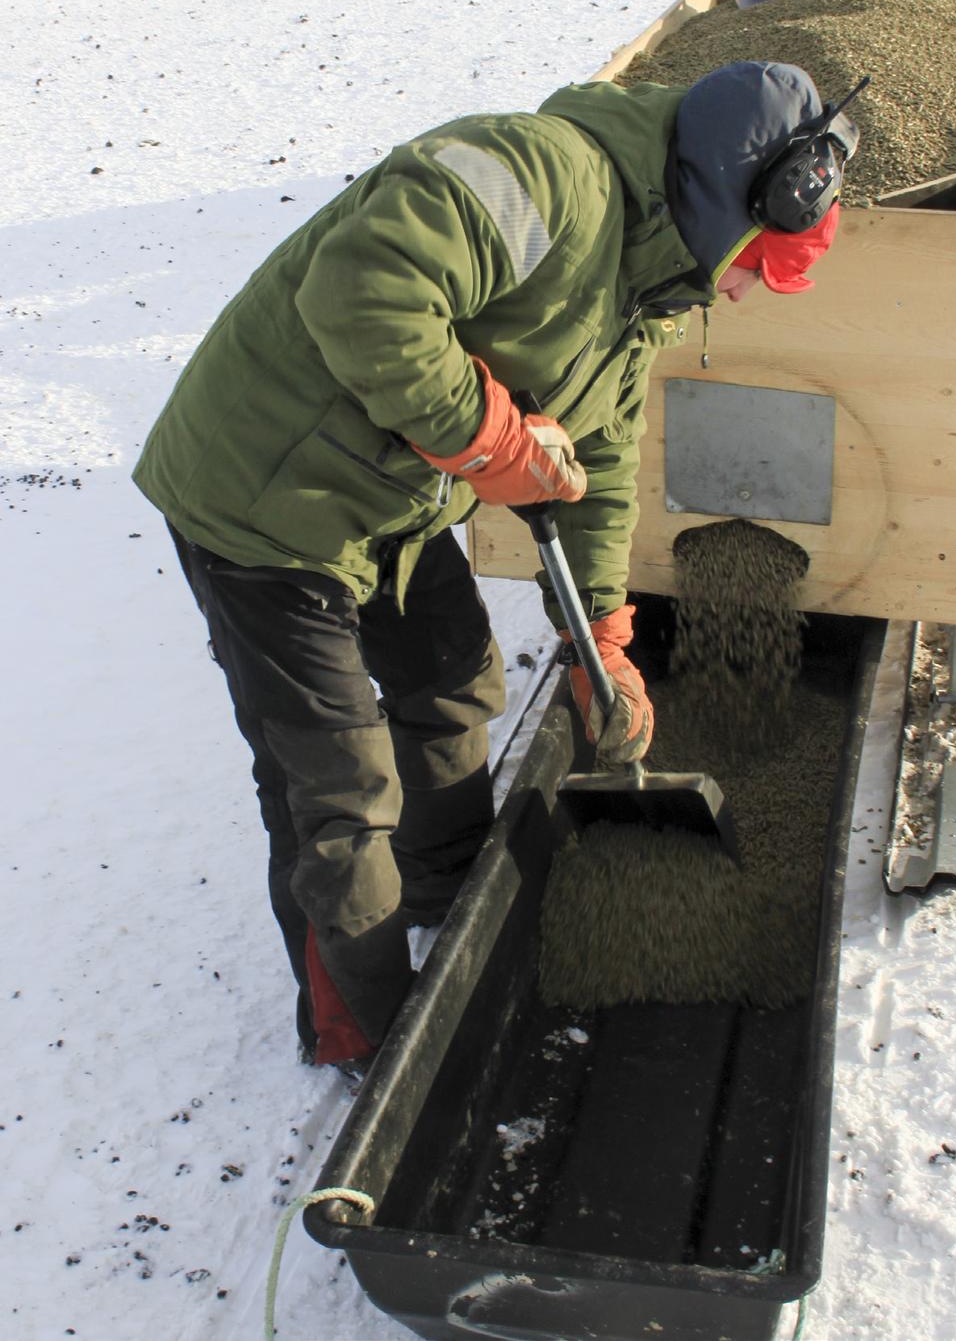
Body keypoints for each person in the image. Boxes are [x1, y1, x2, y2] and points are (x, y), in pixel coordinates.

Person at [133, 58, 858, 1071]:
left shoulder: (648, 281)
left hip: (388, 495)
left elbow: (597, 459)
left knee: (454, 681)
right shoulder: (542, 176)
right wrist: (485, 435)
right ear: (722, 199)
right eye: (757, 259)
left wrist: (600, 629)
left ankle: (443, 892)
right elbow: (362, 291)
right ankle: (372, 1042)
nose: (746, 289)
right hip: (265, 499)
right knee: (338, 793)